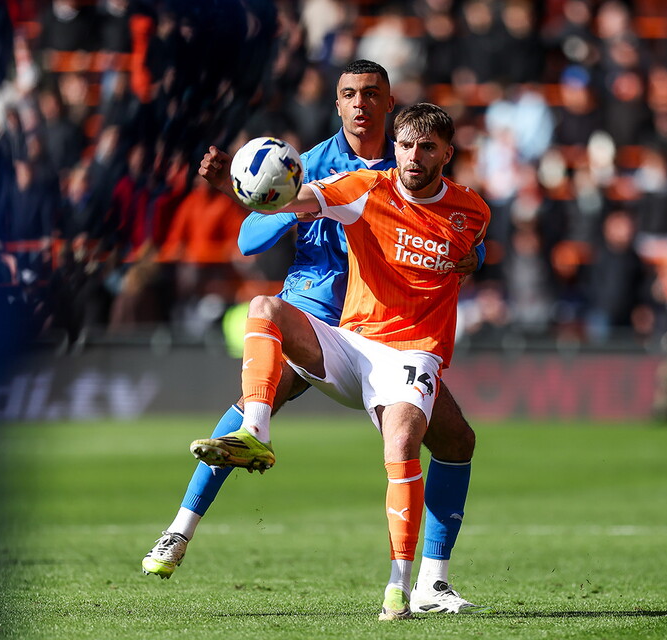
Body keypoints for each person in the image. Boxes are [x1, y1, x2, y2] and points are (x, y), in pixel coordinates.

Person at [141, 61, 487, 618]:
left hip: (391, 325)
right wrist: (262, 196)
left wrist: (475, 255)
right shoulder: (312, 164)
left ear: (390, 103)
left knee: (456, 442)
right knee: (250, 409)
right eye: (349, 94)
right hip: (318, 311)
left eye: (371, 94)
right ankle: (178, 531)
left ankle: (431, 584)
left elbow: (459, 229)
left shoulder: (410, 157)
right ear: (337, 103)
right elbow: (250, 239)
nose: (360, 104)